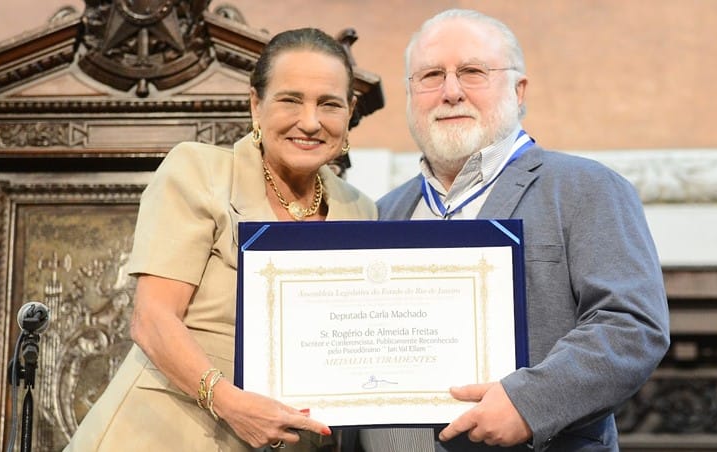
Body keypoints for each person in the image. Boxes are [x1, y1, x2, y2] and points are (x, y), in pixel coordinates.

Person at [356, 9, 671, 452]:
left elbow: (632, 326)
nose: (451, 92)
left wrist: (529, 403)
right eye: (431, 75)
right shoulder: (383, 213)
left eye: (473, 72)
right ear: (410, 94)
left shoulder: (586, 189)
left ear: (518, 90)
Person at [65, 27, 377, 451]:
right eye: (290, 100)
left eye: (329, 104)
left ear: (350, 111)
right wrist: (230, 403)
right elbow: (152, 319)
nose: (310, 121)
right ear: (256, 104)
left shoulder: (360, 209)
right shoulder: (198, 172)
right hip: (162, 434)